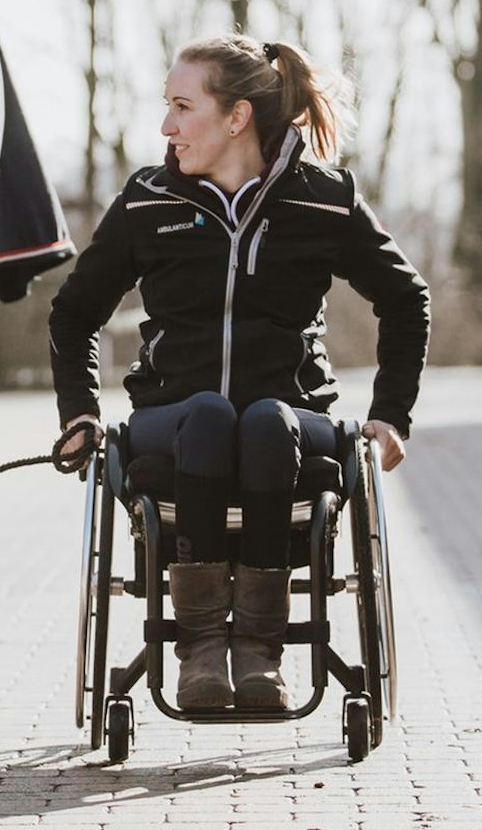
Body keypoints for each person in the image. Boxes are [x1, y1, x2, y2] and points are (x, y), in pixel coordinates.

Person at [48, 35, 430, 711]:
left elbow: (406, 299)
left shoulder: (324, 198)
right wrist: (79, 414)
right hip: (174, 423)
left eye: (181, 106)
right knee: (212, 414)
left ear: (236, 118)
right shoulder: (148, 200)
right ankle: (200, 651)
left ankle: (259, 651)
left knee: (262, 419)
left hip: (293, 424)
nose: (166, 126)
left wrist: (390, 413)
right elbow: (74, 313)